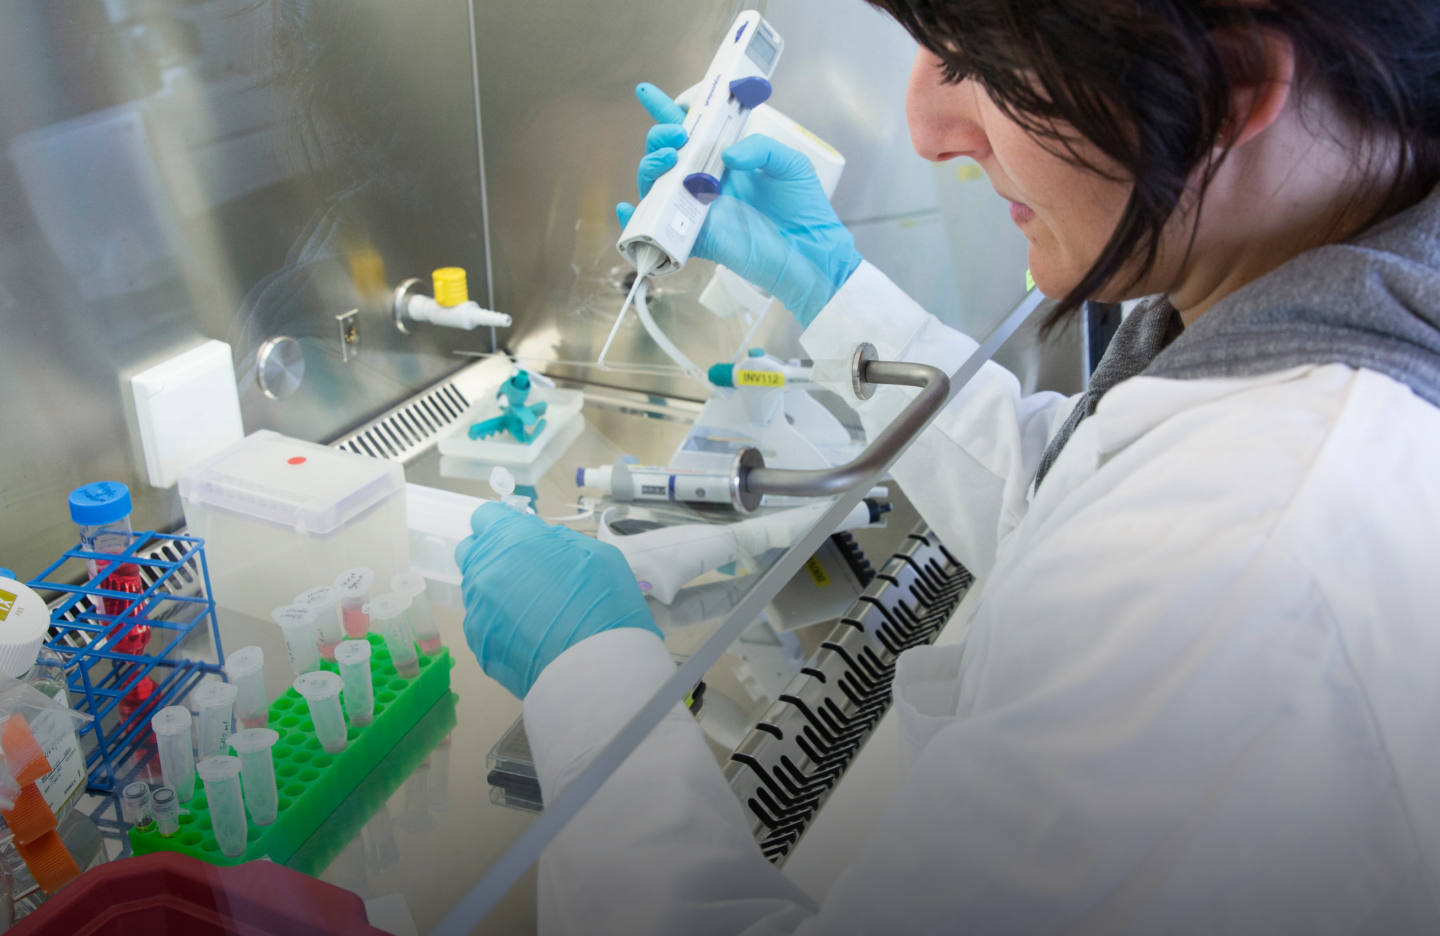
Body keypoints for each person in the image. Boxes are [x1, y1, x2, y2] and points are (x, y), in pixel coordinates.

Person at [456, 0, 1440, 931]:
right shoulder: (1338, 277)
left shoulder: (1241, 568)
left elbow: (1148, 550)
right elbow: (1071, 489)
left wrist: (587, 676)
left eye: (974, 60)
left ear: (1229, 87)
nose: (926, 129)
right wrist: (833, 289)